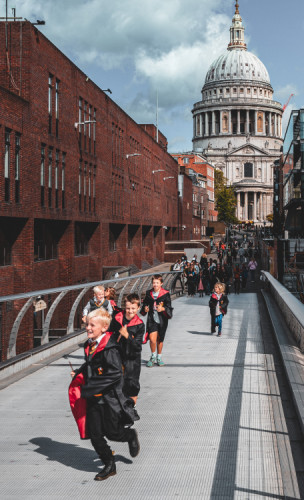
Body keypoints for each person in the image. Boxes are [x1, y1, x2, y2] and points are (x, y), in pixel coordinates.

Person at [68, 308, 140, 481]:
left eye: (92, 325)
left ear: (104, 328)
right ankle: (109, 464)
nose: (88, 328)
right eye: (87, 324)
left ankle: (130, 435)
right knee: (95, 435)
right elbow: (91, 364)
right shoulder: (90, 345)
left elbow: (115, 374)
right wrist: (80, 372)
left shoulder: (110, 348)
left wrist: (89, 388)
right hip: (94, 398)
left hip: (109, 399)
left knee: (113, 433)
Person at [111, 293, 145, 410]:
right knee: (116, 382)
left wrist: (127, 336)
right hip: (117, 356)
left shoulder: (139, 325)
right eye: (128, 308)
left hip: (132, 358)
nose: (130, 311)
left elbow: (138, 346)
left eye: (133, 309)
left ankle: (131, 410)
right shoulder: (116, 319)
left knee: (131, 384)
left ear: (138, 308)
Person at [140, 274, 173, 367]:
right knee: (152, 339)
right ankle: (153, 356)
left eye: (157, 283)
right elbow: (144, 305)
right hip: (152, 319)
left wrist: (163, 309)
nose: (155, 285)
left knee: (160, 339)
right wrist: (145, 309)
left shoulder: (165, 294)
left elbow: (169, 307)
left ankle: (159, 357)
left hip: (162, 320)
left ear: (161, 283)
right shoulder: (148, 293)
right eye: (154, 283)